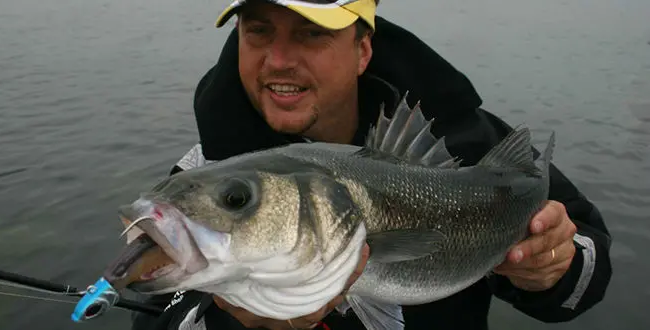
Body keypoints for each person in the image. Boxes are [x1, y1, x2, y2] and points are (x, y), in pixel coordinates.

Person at [131, 0, 613, 329]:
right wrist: (225, 323)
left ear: (362, 51)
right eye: (258, 31)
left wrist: (557, 265)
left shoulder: (468, 143)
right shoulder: (204, 174)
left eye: (311, 33)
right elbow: (154, 318)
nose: (277, 60)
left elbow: (588, 271)